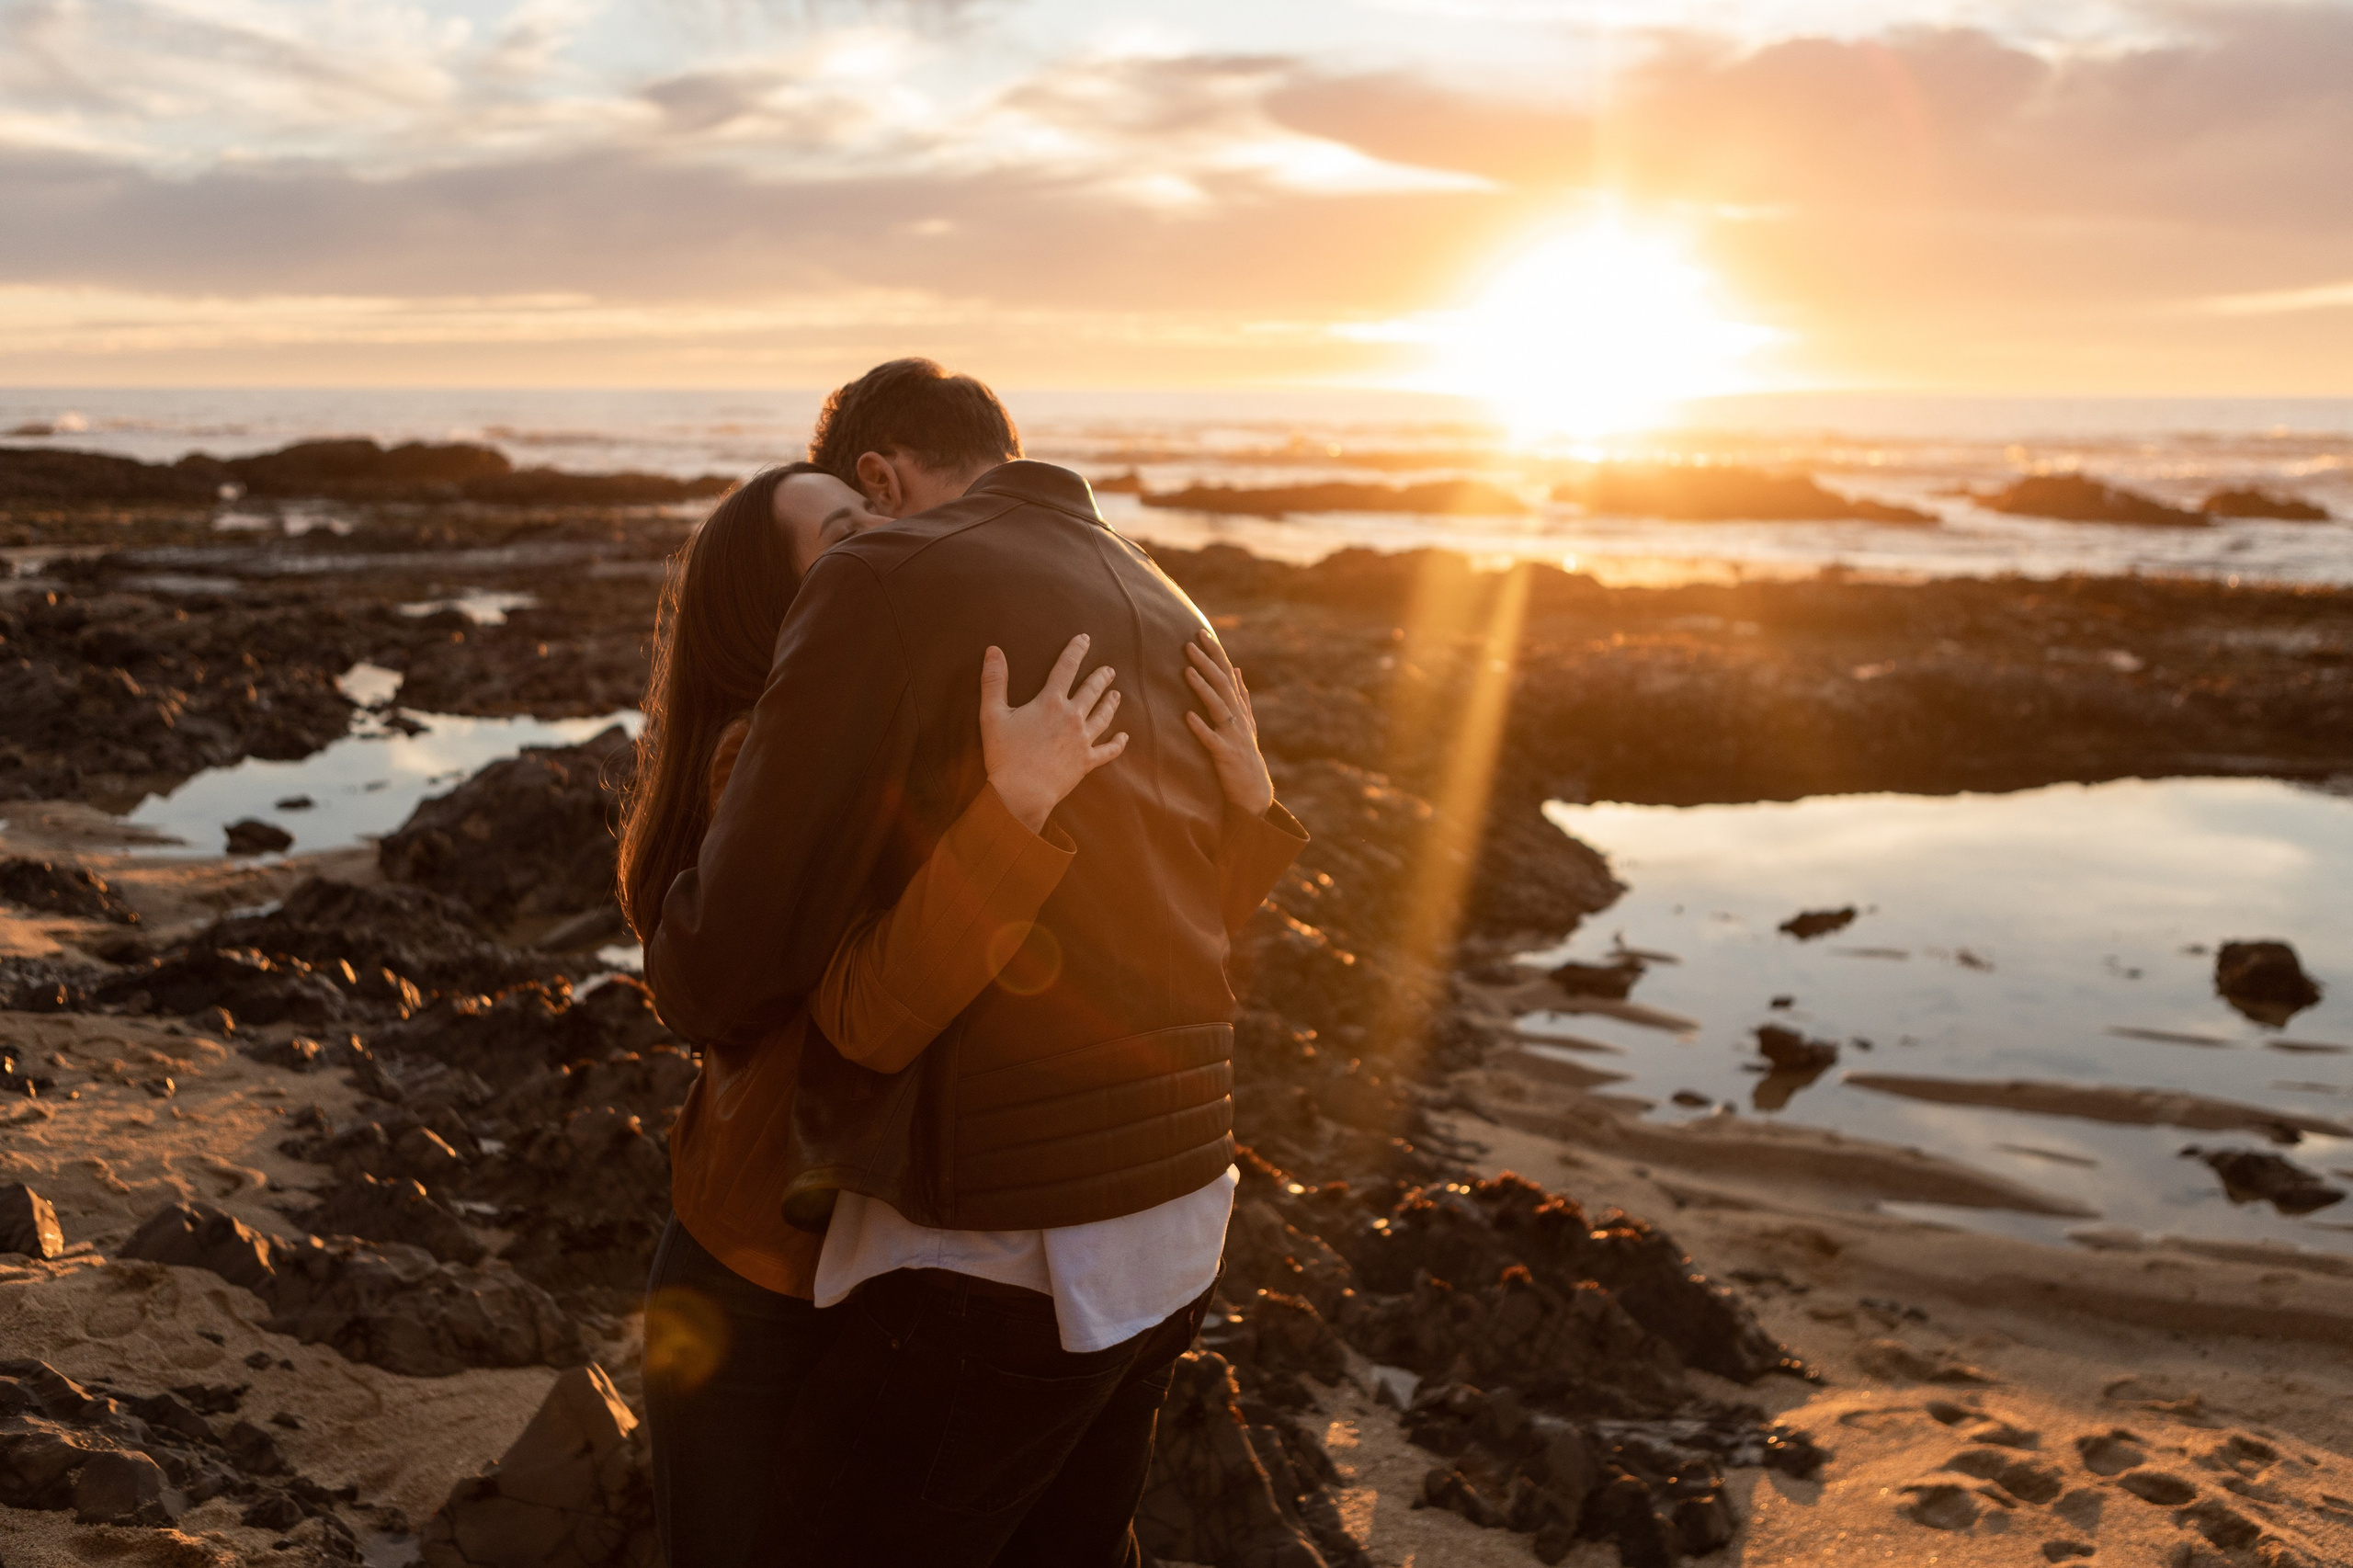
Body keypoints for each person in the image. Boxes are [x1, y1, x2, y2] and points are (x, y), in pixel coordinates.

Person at [644, 358, 1307, 1565]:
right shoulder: (1168, 601)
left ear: (882, 479)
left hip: (1002, 1246)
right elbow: (1172, 935)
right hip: (1177, 1223)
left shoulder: (891, 580)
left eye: (854, 516)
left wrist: (1007, 823)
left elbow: (744, 982)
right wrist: (1253, 811)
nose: (856, 545)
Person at [622, 460, 1133, 1567]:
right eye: (848, 528)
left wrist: (1246, 810)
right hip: (753, 1263)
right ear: (778, 602)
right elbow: (871, 1010)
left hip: (854, 1254)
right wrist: (1015, 813)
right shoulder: (760, 759)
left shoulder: (888, 736)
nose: (893, 540)